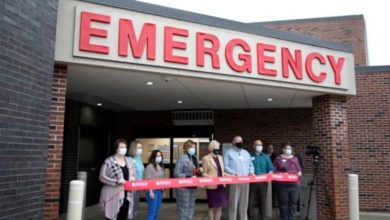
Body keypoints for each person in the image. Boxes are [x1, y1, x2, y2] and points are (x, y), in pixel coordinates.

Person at [99, 138, 136, 220]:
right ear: (116, 149)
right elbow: (102, 177)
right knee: (111, 217)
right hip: (112, 194)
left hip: (126, 195)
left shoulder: (129, 161)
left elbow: (133, 174)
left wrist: (132, 178)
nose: (124, 149)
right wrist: (116, 181)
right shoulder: (109, 161)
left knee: (123, 217)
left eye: (125, 147)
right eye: (122, 147)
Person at [224, 136, 254, 220]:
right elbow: (225, 166)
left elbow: (251, 165)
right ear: (233, 142)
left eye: (241, 140)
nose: (240, 142)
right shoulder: (228, 153)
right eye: (237, 140)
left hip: (245, 182)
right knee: (233, 203)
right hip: (234, 181)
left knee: (244, 203)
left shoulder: (246, 153)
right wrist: (234, 173)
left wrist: (251, 172)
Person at [273, 143, 302, 220]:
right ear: (283, 149)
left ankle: (291, 218)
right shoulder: (278, 159)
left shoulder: (295, 159)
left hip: (294, 185)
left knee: (293, 203)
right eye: (287, 148)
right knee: (283, 203)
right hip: (282, 186)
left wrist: (299, 173)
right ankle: (284, 218)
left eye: (290, 148)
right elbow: (274, 170)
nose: (289, 150)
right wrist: (280, 174)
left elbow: (299, 170)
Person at [201, 140, 228, 220]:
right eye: (217, 147)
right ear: (212, 148)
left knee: (220, 206)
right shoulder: (205, 158)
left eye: (219, 147)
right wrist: (208, 176)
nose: (218, 149)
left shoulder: (220, 157)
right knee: (212, 206)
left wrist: (233, 176)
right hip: (211, 186)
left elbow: (222, 172)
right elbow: (204, 173)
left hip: (221, 186)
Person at [174, 140, 201, 220]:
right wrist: (188, 177)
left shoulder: (194, 158)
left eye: (194, 147)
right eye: (191, 147)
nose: (193, 149)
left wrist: (199, 172)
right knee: (183, 208)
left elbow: (195, 171)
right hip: (183, 187)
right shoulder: (182, 158)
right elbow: (177, 173)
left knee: (191, 206)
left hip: (193, 186)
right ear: (186, 148)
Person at [248, 140, 274, 220]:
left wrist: (270, 172)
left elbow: (271, 168)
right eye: (257, 144)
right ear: (253, 146)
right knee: (251, 201)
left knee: (263, 201)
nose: (259, 146)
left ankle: (262, 217)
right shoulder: (249, 156)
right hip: (252, 182)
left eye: (260, 145)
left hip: (263, 182)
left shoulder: (266, 157)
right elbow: (246, 167)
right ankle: (250, 217)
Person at [144, 150, 165, 220]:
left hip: (160, 191)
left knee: (156, 211)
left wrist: (163, 191)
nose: (159, 157)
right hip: (152, 191)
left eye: (160, 156)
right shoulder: (150, 166)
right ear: (153, 157)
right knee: (152, 212)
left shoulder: (161, 166)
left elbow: (162, 180)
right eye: (157, 156)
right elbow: (147, 180)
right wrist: (150, 191)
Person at [128, 140, 144, 220]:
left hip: (138, 187)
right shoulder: (129, 159)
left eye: (141, 147)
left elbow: (140, 173)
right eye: (138, 147)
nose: (140, 149)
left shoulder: (139, 158)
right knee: (130, 209)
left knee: (135, 208)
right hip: (131, 188)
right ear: (133, 148)